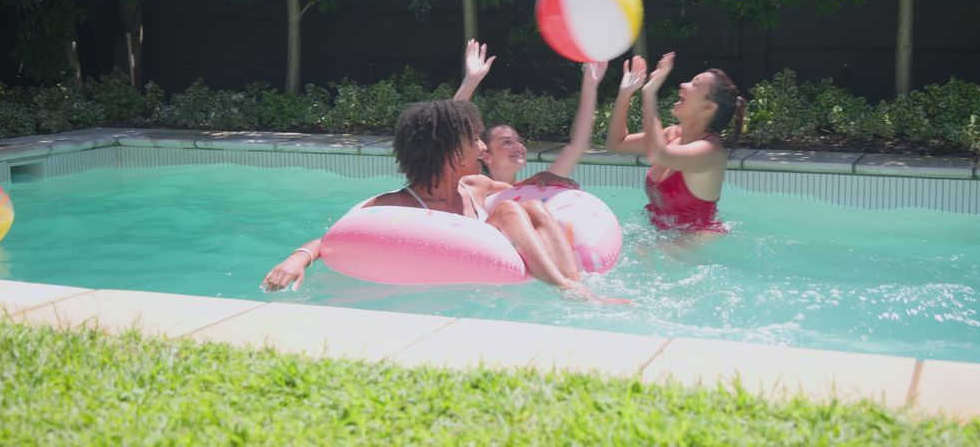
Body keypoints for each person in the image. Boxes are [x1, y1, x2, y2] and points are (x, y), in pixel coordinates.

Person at [261, 99, 602, 298]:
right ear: (453, 153)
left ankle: (578, 289)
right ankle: (567, 289)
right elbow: (334, 236)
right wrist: (297, 259)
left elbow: (521, 195)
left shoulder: (476, 186)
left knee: (529, 207)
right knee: (512, 209)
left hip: (497, 283)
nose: (483, 148)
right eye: (475, 141)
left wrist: (541, 179)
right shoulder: (401, 203)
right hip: (447, 290)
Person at [605, 52, 745, 232]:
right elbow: (616, 143)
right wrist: (625, 93)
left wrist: (649, 93)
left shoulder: (711, 152)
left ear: (708, 107)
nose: (683, 85)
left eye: (694, 84)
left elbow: (659, 155)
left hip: (694, 245)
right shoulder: (671, 135)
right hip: (659, 237)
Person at [454, 39, 607, 184]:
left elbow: (578, 145)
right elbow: (448, 137)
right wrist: (471, 80)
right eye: (507, 142)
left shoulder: (537, 185)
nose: (518, 146)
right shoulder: (474, 189)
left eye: (519, 141)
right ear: (487, 156)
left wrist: (590, 84)